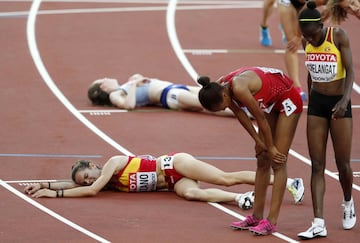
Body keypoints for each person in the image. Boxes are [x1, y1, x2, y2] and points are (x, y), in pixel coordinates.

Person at [197, 66, 303, 236]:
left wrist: (270, 146)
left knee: (277, 160)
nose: (225, 109)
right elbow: (240, 115)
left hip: (287, 99)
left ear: (225, 96)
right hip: (270, 103)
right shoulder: (219, 88)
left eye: (222, 107)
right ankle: (256, 216)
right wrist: (258, 142)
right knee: (262, 159)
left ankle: (271, 221)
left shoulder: (238, 88)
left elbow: (260, 119)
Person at [23, 153, 304, 208]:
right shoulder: (105, 181)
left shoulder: (111, 165)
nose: (87, 182)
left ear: (94, 166)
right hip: (171, 184)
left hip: (173, 164)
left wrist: (54, 196)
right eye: (84, 181)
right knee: (192, 195)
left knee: (224, 177)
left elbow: (90, 191)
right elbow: (74, 185)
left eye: (86, 175)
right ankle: (242, 199)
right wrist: (45, 185)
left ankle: (290, 182)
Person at [297, 1, 356, 239]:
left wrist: (344, 100)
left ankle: (348, 202)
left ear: (320, 26)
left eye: (312, 35)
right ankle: (318, 222)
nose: (309, 40)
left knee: (342, 164)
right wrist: (311, 99)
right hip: (317, 105)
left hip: (340, 105)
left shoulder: (337, 36)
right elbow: (311, 73)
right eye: (305, 37)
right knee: (317, 164)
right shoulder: (306, 41)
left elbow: (351, 70)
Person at [88, 74, 233, 117]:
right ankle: (244, 113)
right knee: (209, 103)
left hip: (174, 87)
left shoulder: (124, 85)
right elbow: (129, 105)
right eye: (102, 79)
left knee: (216, 92)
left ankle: (245, 105)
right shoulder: (115, 94)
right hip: (170, 95)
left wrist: (135, 79)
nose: (106, 77)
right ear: (103, 87)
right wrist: (134, 83)